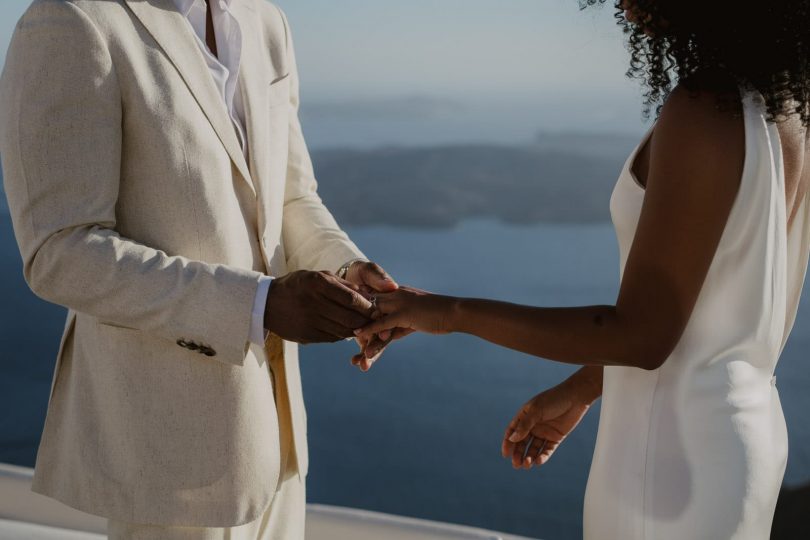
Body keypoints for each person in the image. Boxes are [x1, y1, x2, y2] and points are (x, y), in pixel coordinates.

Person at [356, 1, 810, 538]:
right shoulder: (788, 111)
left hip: (668, 464)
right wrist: (587, 385)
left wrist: (448, 311)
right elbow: (711, 307)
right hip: (741, 446)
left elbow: (642, 336)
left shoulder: (706, 110)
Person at [0, 0, 394, 538]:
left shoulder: (265, 21)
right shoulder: (71, 19)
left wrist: (345, 268)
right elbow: (60, 251)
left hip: (278, 450)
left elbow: (289, 197)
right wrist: (259, 304)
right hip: (168, 461)